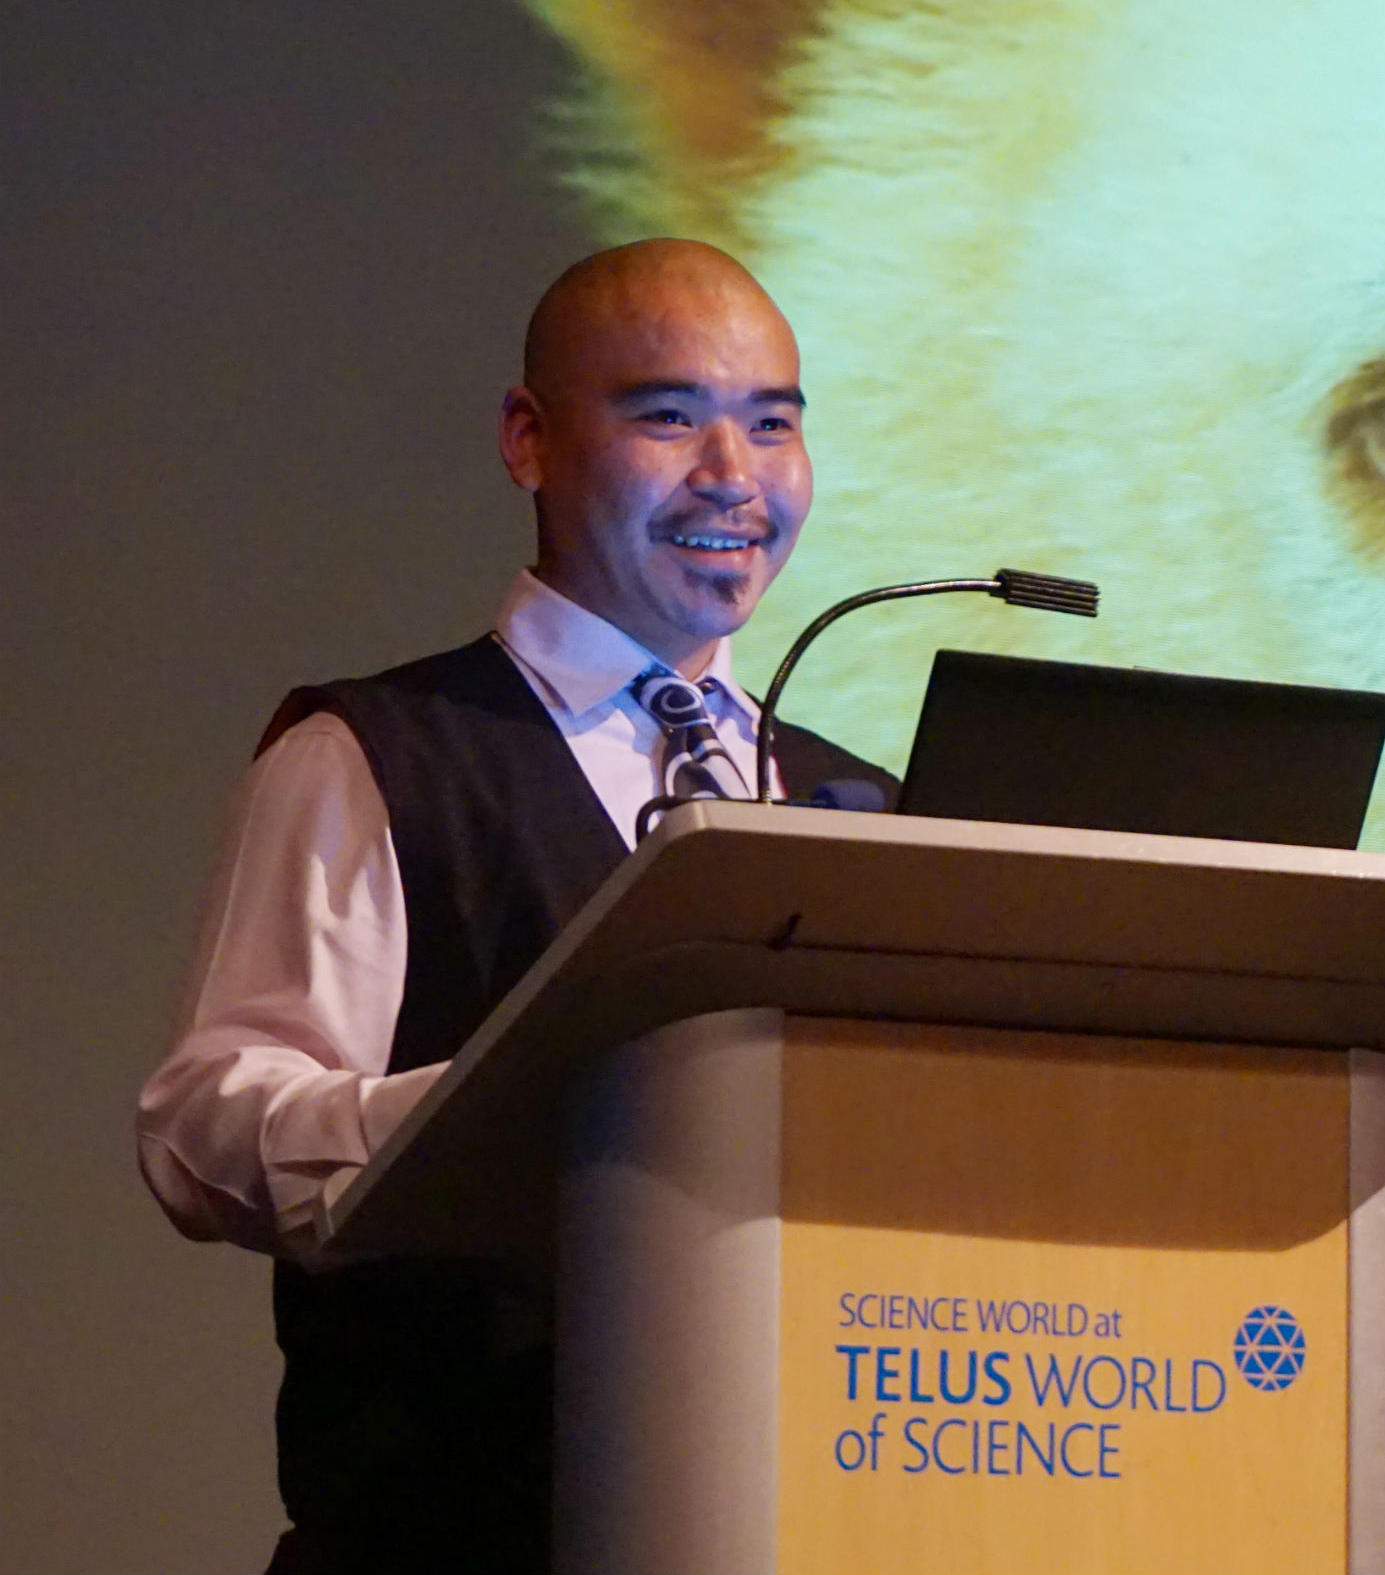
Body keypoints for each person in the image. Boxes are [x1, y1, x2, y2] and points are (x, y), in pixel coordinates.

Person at [137, 239, 893, 1574]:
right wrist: (488, 1111)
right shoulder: (379, 752)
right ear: (528, 439)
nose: (735, 473)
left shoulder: (860, 801)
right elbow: (204, 1121)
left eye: (773, 423)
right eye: (670, 415)